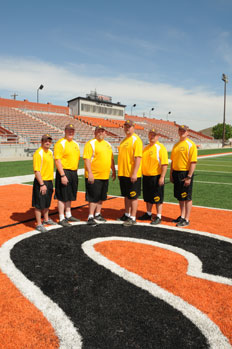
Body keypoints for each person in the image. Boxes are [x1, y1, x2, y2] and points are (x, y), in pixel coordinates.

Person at [83, 125, 116, 225]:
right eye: (99, 131)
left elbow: (111, 159)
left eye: (102, 131)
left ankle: (98, 214)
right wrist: (90, 173)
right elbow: (87, 159)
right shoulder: (91, 143)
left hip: (104, 175)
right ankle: (90, 216)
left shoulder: (108, 144)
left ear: (105, 133)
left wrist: (114, 171)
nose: (101, 133)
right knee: (93, 197)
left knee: (101, 197)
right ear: (95, 132)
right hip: (94, 175)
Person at [138, 128, 168, 225]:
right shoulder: (145, 148)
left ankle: (159, 216)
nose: (152, 137)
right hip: (146, 176)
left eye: (154, 135)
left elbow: (164, 164)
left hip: (156, 176)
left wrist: (162, 177)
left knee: (157, 197)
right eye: (150, 134)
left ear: (158, 136)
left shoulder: (160, 147)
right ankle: (148, 213)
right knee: (147, 197)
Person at [170, 125, 197, 227]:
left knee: (187, 197)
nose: (182, 132)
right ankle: (182, 216)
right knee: (180, 197)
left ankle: (187, 218)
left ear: (187, 132)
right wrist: (171, 174)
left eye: (184, 131)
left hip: (185, 173)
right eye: (180, 130)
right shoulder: (176, 145)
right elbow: (173, 161)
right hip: (176, 173)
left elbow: (193, 162)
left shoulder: (191, 144)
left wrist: (189, 176)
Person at [117, 119, 143, 226]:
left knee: (133, 196)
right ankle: (127, 214)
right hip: (123, 173)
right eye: (126, 126)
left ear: (133, 127)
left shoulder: (136, 140)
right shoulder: (123, 141)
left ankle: (133, 217)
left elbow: (138, 158)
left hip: (132, 174)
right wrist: (120, 172)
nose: (127, 128)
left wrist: (134, 173)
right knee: (126, 196)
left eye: (129, 127)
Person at [54, 123, 80, 227]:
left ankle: (68, 215)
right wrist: (62, 175)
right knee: (62, 196)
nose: (70, 132)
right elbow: (57, 160)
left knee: (70, 195)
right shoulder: (61, 143)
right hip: (64, 171)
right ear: (65, 131)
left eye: (72, 130)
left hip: (73, 172)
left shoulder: (76, 144)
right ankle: (61, 217)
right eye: (69, 130)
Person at [32, 134, 56, 233]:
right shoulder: (38, 153)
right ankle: (39, 224)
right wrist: (42, 184)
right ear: (41, 141)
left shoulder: (50, 152)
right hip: (41, 181)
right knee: (39, 204)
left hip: (49, 181)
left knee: (46, 202)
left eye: (49, 141)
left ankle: (46, 220)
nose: (48, 142)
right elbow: (37, 171)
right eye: (46, 141)